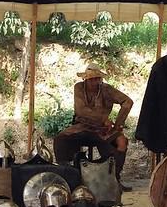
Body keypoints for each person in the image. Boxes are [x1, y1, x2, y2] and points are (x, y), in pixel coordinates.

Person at [53, 63, 133, 191]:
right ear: (86, 79)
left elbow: (127, 101)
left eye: (97, 78)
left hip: (102, 129)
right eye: (91, 79)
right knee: (60, 139)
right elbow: (80, 110)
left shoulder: (107, 89)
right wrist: (103, 119)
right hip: (82, 126)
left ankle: (114, 179)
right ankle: (67, 176)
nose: (94, 82)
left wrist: (118, 124)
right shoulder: (79, 87)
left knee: (121, 141)